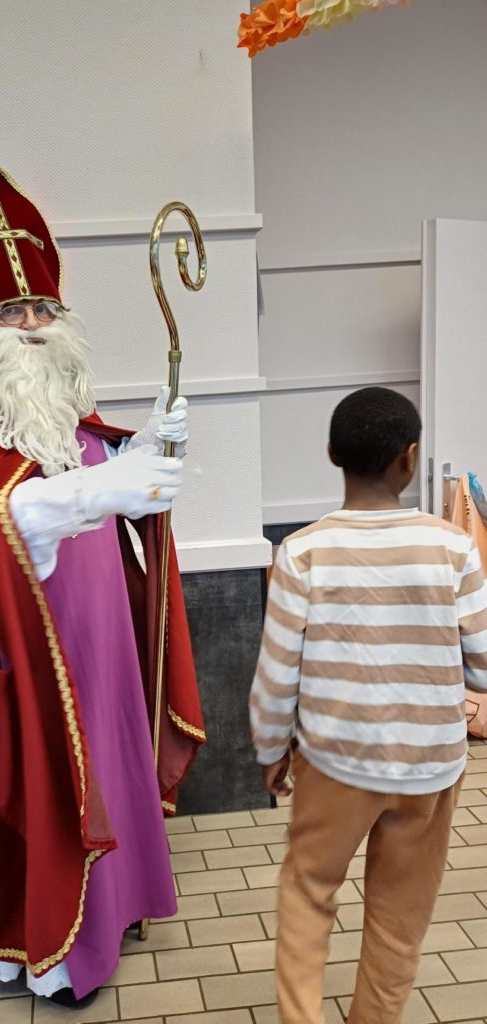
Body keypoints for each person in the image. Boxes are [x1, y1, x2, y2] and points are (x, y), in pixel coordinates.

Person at [0, 162, 205, 1007]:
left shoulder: (69, 409)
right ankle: (53, 953)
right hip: (32, 652)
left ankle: (116, 910)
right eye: (11, 312)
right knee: (48, 774)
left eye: (42, 308)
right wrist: (98, 490)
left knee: (111, 759)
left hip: (104, 637)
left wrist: (142, 449)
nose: (32, 325)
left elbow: (106, 481)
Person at [249, 386, 487, 1024]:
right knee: (399, 919)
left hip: (335, 763)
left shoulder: (301, 552)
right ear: (410, 458)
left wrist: (271, 751)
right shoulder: (454, 547)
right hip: (430, 766)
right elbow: (482, 664)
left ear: (332, 453)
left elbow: (276, 674)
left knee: (308, 891)